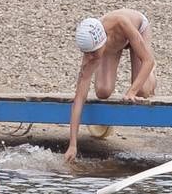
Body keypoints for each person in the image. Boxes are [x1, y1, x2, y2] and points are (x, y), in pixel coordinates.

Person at [66, 12, 158, 162]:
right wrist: (72, 145)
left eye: (94, 53)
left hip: (137, 28)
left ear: (102, 41)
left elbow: (148, 60)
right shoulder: (90, 53)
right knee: (103, 91)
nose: (92, 57)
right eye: (88, 54)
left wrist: (131, 91)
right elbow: (79, 99)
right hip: (114, 44)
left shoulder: (121, 23)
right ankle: (135, 73)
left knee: (142, 90)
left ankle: (152, 77)